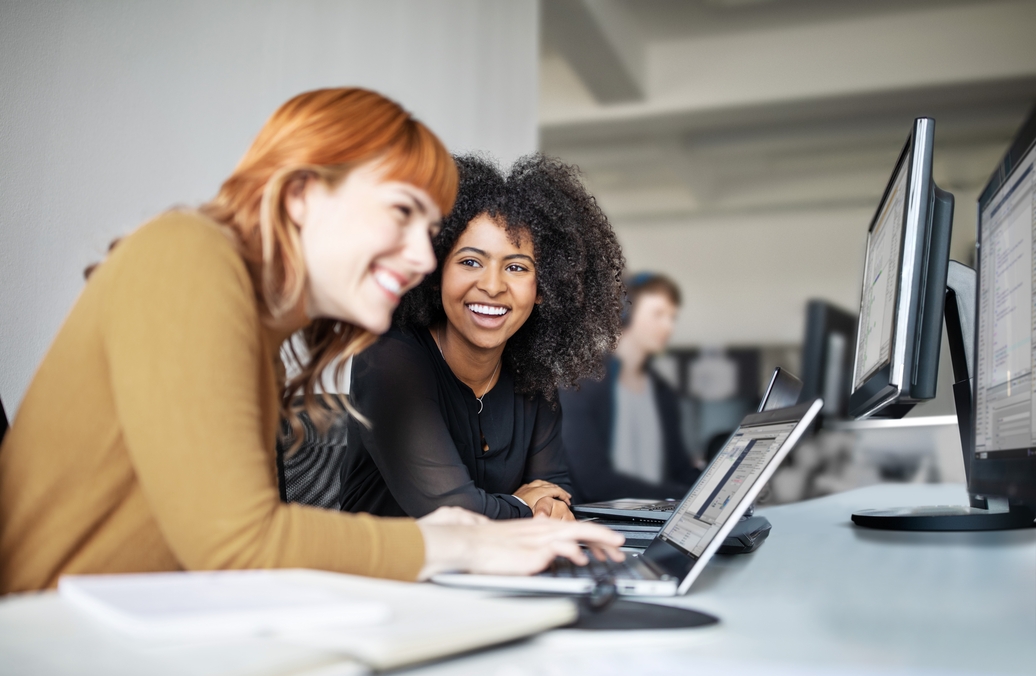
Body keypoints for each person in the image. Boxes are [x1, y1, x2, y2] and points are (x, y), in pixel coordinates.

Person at [0, 88, 623, 595]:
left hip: (169, 625)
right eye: (401, 213)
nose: (418, 258)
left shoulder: (249, 320)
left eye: (428, 230)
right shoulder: (187, 254)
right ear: (301, 195)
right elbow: (240, 545)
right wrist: (464, 540)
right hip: (57, 639)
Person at [339, 154, 626, 521]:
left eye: (517, 267)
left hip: (490, 572)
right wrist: (524, 505)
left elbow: (555, 498)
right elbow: (452, 513)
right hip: (386, 574)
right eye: (471, 262)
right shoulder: (388, 361)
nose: (492, 286)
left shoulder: (532, 379)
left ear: (543, 288)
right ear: (436, 270)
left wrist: (540, 508)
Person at [560, 272, 700, 503]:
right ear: (625, 313)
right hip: (603, 524)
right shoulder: (580, 386)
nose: (668, 326)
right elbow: (594, 483)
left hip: (660, 517)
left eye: (672, 317)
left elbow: (680, 470)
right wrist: (683, 497)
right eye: (658, 314)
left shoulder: (662, 391)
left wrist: (720, 488)